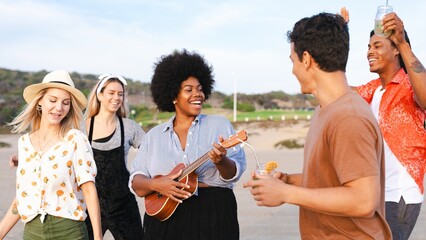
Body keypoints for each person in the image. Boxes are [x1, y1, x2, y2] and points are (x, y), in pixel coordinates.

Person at [243, 13, 392, 239]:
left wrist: (287, 193)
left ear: (306, 59)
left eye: (292, 61)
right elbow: (334, 179)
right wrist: (288, 180)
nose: (293, 70)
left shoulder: (348, 117)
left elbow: (363, 200)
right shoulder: (324, 110)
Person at [129, 49, 246, 240]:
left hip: (214, 213)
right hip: (164, 217)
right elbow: (136, 181)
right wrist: (156, 184)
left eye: (200, 88)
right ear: (173, 96)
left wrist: (221, 161)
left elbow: (234, 173)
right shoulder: (154, 136)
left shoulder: (220, 125)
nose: (197, 94)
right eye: (188, 90)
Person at [0, 70, 102, 240]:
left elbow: (89, 190)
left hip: (69, 231)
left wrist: (98, 238)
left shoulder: (75, 139)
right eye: (53, 100)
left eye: (66, 102)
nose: (59, 108)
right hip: (32, 232)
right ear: (39, 101)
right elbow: (23, 196)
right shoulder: (24, 143)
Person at [353, 11, 426, 240]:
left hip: (399, 196)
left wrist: (402, 41)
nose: (369, 52)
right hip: (376, 193)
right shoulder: (373, 89)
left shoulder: (408, 83)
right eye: (368, 47)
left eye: (377, 45)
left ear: (395, 49)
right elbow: (336, 93)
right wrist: (331, 47)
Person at [83, 74, 145, 239]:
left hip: (124, 205)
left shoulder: (129, 127)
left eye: (120, 94)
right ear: (100, 95)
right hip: (90, 206)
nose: (116, 97)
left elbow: (152, 154)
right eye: (111, 93)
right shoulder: (82, 127)